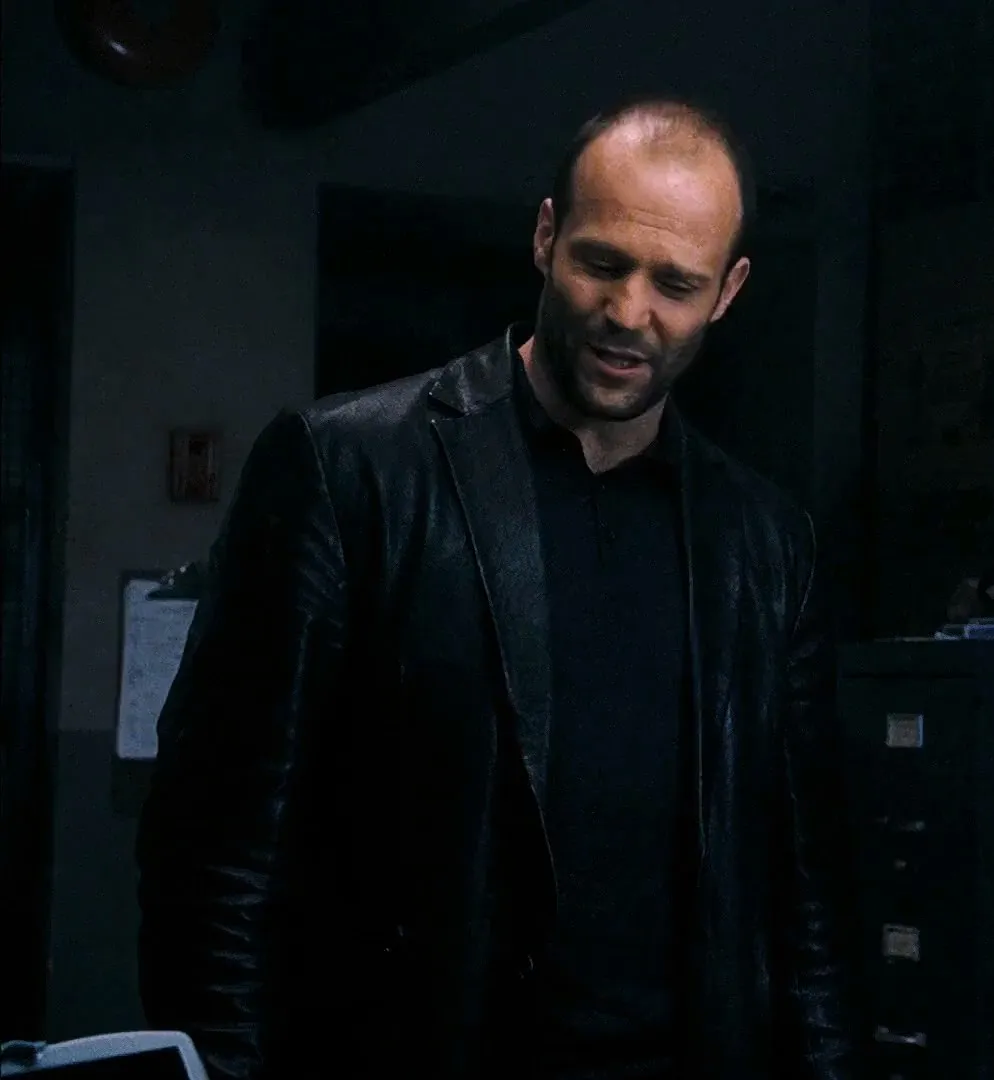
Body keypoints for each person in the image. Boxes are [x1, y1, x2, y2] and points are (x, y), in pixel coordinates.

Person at [135, 97, 861, 1080]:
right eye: (602, 263)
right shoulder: (349, 471)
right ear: (547, 235)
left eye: (675, 284)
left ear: (727, 291)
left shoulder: (766, 546)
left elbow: (808, 895)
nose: (628, 313)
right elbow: (217, 851)